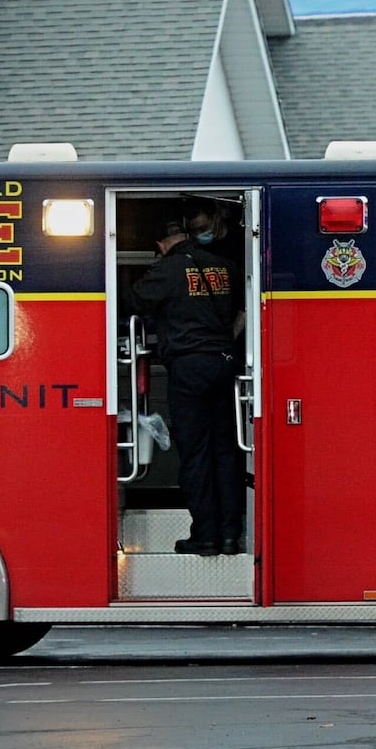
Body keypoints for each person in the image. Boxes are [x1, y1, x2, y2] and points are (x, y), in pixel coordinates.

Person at [131, 218, 244, 556]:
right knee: (226, 452)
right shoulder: (224, 266)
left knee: (196, 454)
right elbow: (244, 306)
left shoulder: (167, 269)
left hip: (189, 367)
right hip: (224, 363)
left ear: (163, 244)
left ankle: (205, 536)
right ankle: (229, 535)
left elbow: (135, 300)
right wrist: (226, 341)